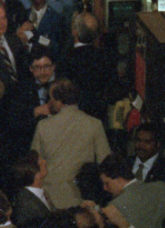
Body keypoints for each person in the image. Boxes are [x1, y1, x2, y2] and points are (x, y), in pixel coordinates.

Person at [31, 78, 110, 209]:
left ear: (59, 100)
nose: (50, 102)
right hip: (81, 199)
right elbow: (105, 162)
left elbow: (34, 164)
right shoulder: (94, 124)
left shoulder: (43, 126)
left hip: (50, 199)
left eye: (51, 98)